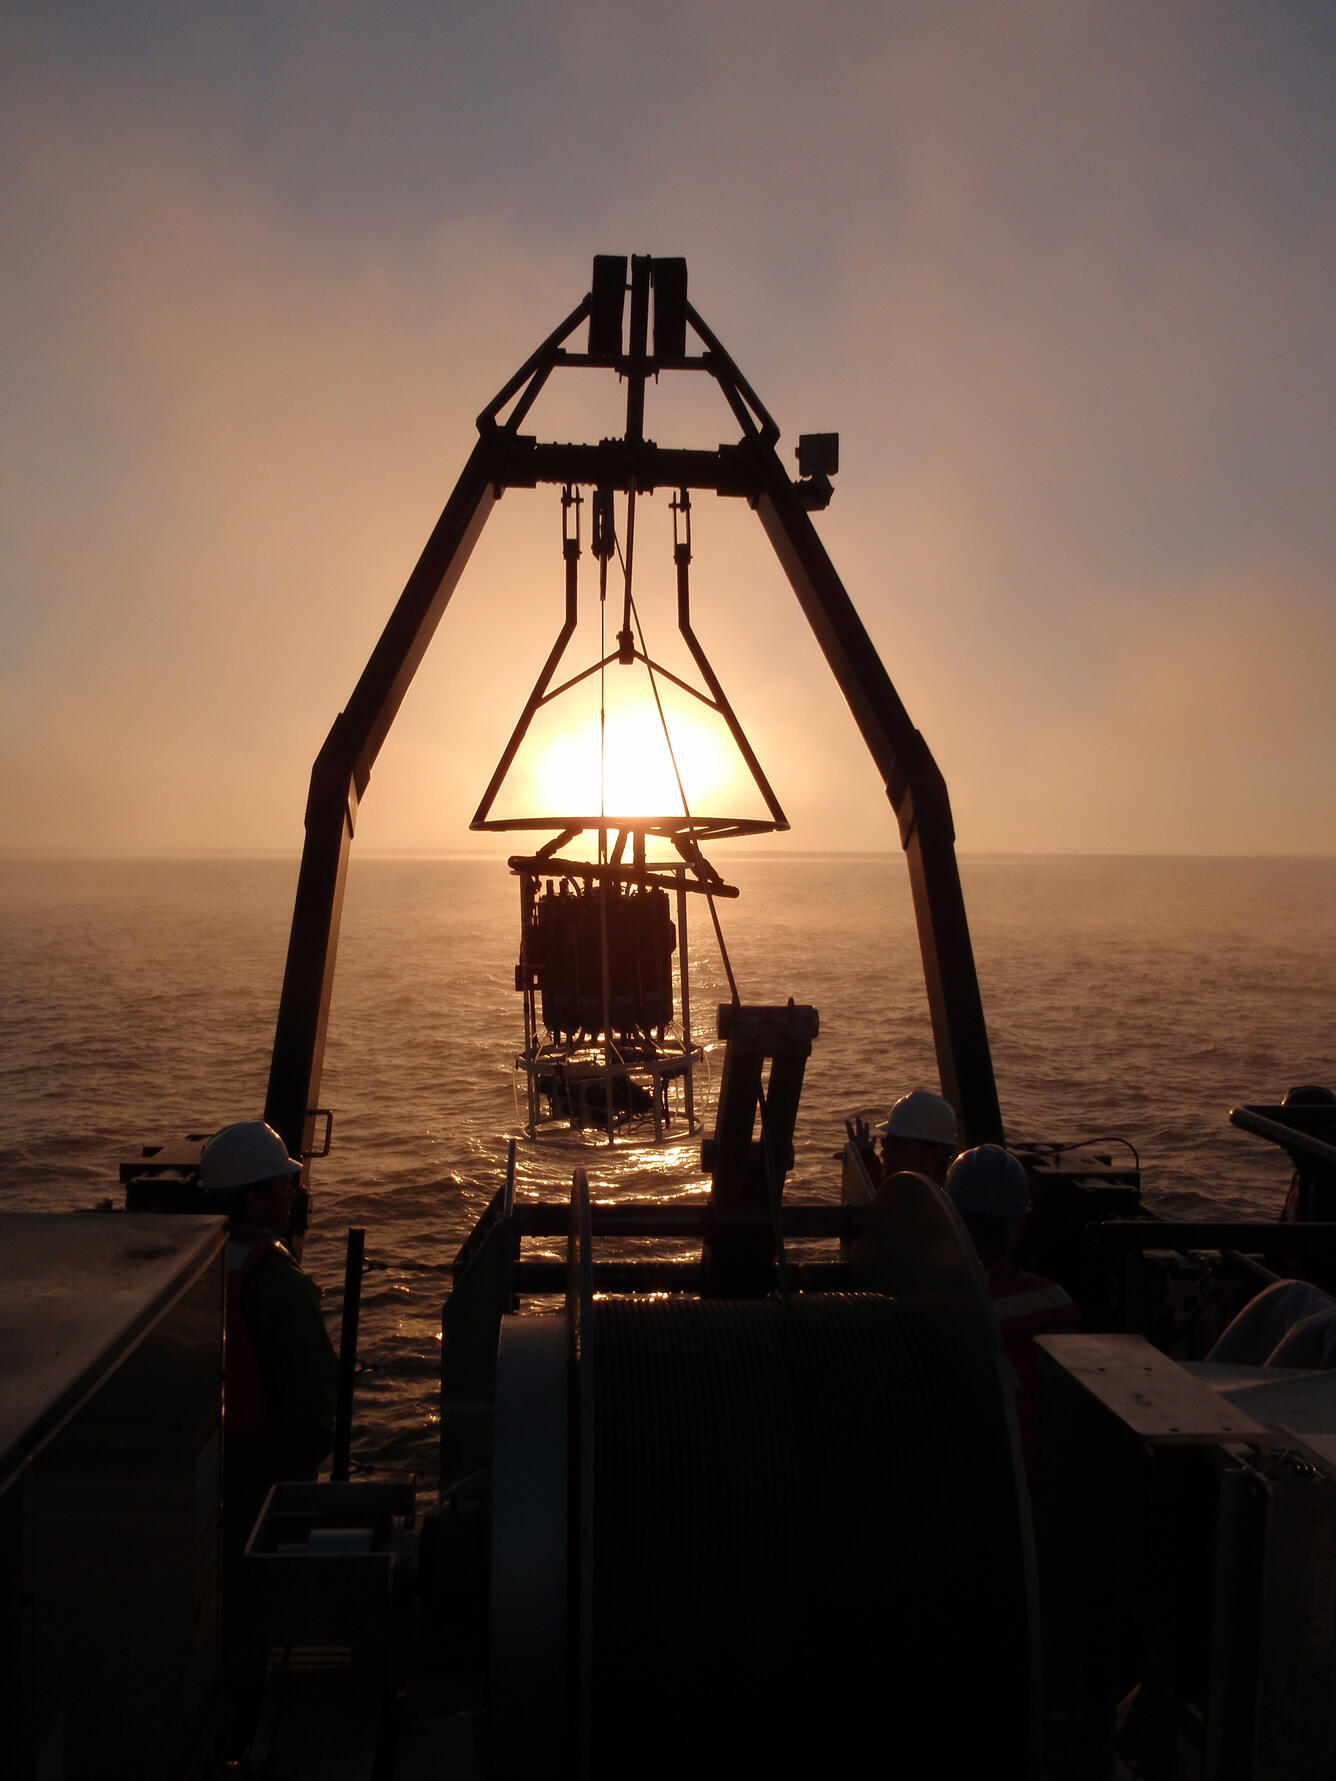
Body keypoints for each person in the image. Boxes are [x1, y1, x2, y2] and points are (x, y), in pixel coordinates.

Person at [198, 1120, 339, 1733]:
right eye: (283, 1184)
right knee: (263, 1603)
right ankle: (254, 1721)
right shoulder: (277, 1282)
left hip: (208, 1464)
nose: (292, 1195)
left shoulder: (197, 1264)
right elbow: (312, 1398)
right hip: (265, 1471)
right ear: (254, 1197)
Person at [946, 1143, 1079, 1464]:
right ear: (1019, 1225)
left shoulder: (935, 1305)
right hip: (1042, 1476)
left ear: (952, 1218)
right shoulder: (1058, 1304)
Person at [848, 1089, 959, 1189]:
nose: (884, 1152)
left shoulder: (933, 1209)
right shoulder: (903, 1197)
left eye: (895, 1145)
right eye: (885, 1143)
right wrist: (865, 1158)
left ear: (935, 1155)